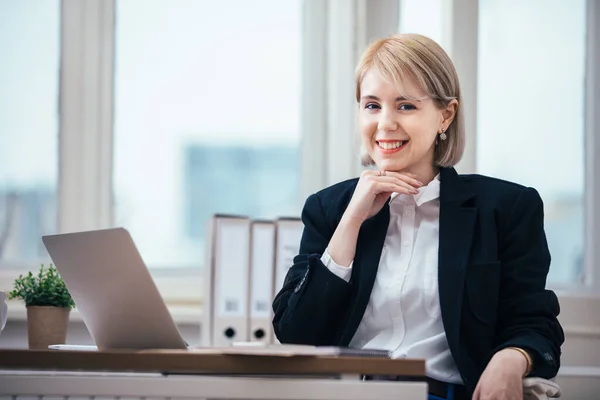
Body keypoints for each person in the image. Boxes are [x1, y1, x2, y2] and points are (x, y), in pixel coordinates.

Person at [272, 33, 564, 400]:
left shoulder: (506, 208)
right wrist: (351, 222)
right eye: (372, 105)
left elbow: (535, 324)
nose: (385, 123)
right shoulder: (328, 208)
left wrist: (510, 358)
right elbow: (295, 331)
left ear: (446, 115)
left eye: (406, 106)